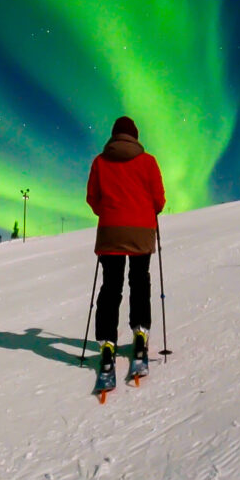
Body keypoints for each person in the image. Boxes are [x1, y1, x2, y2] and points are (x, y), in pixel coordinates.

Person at [86, 116, 165, 377]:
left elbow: (92, 199)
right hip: (141, 231)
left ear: (113, 135)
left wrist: (108, 212)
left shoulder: (100, 161)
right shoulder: (148, 162)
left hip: (111, 231)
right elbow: (159, 200)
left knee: (111, 286)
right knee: (139, 281)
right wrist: (145, 211)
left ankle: (107, 343)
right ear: (135, 136)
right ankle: (140, 333)